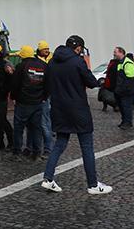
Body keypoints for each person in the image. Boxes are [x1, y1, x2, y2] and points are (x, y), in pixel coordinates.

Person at [41, 35, 112, 195]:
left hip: (59, 108)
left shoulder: (52, 62)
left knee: (59, 143)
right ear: (78, 48)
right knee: (86, 146)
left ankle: (48, 178)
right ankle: (93, 185)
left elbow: (46, 84)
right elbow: (92, 82)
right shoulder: (77, 61)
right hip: (78, 108)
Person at [10, 46, 48, 160]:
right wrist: (44, 97)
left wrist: (14, 97)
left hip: (23, 102)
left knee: (19, 128)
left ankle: (17, 152)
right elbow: (48, 84)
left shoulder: (21, 66)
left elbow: (15, 84)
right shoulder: (43, 66)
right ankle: (36, 151)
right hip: (38, 102)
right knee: (36, 128)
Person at [112, 47, 134, 130]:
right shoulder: (120, 62)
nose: (114, 54)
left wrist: (122, 89)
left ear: (121, 52)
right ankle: (124, 121)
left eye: (115, 52)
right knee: (122, 107)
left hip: (127, 90)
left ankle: (128, 122)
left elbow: (130, 78)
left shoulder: (128, 63)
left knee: (126, 107)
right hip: (121, 90)